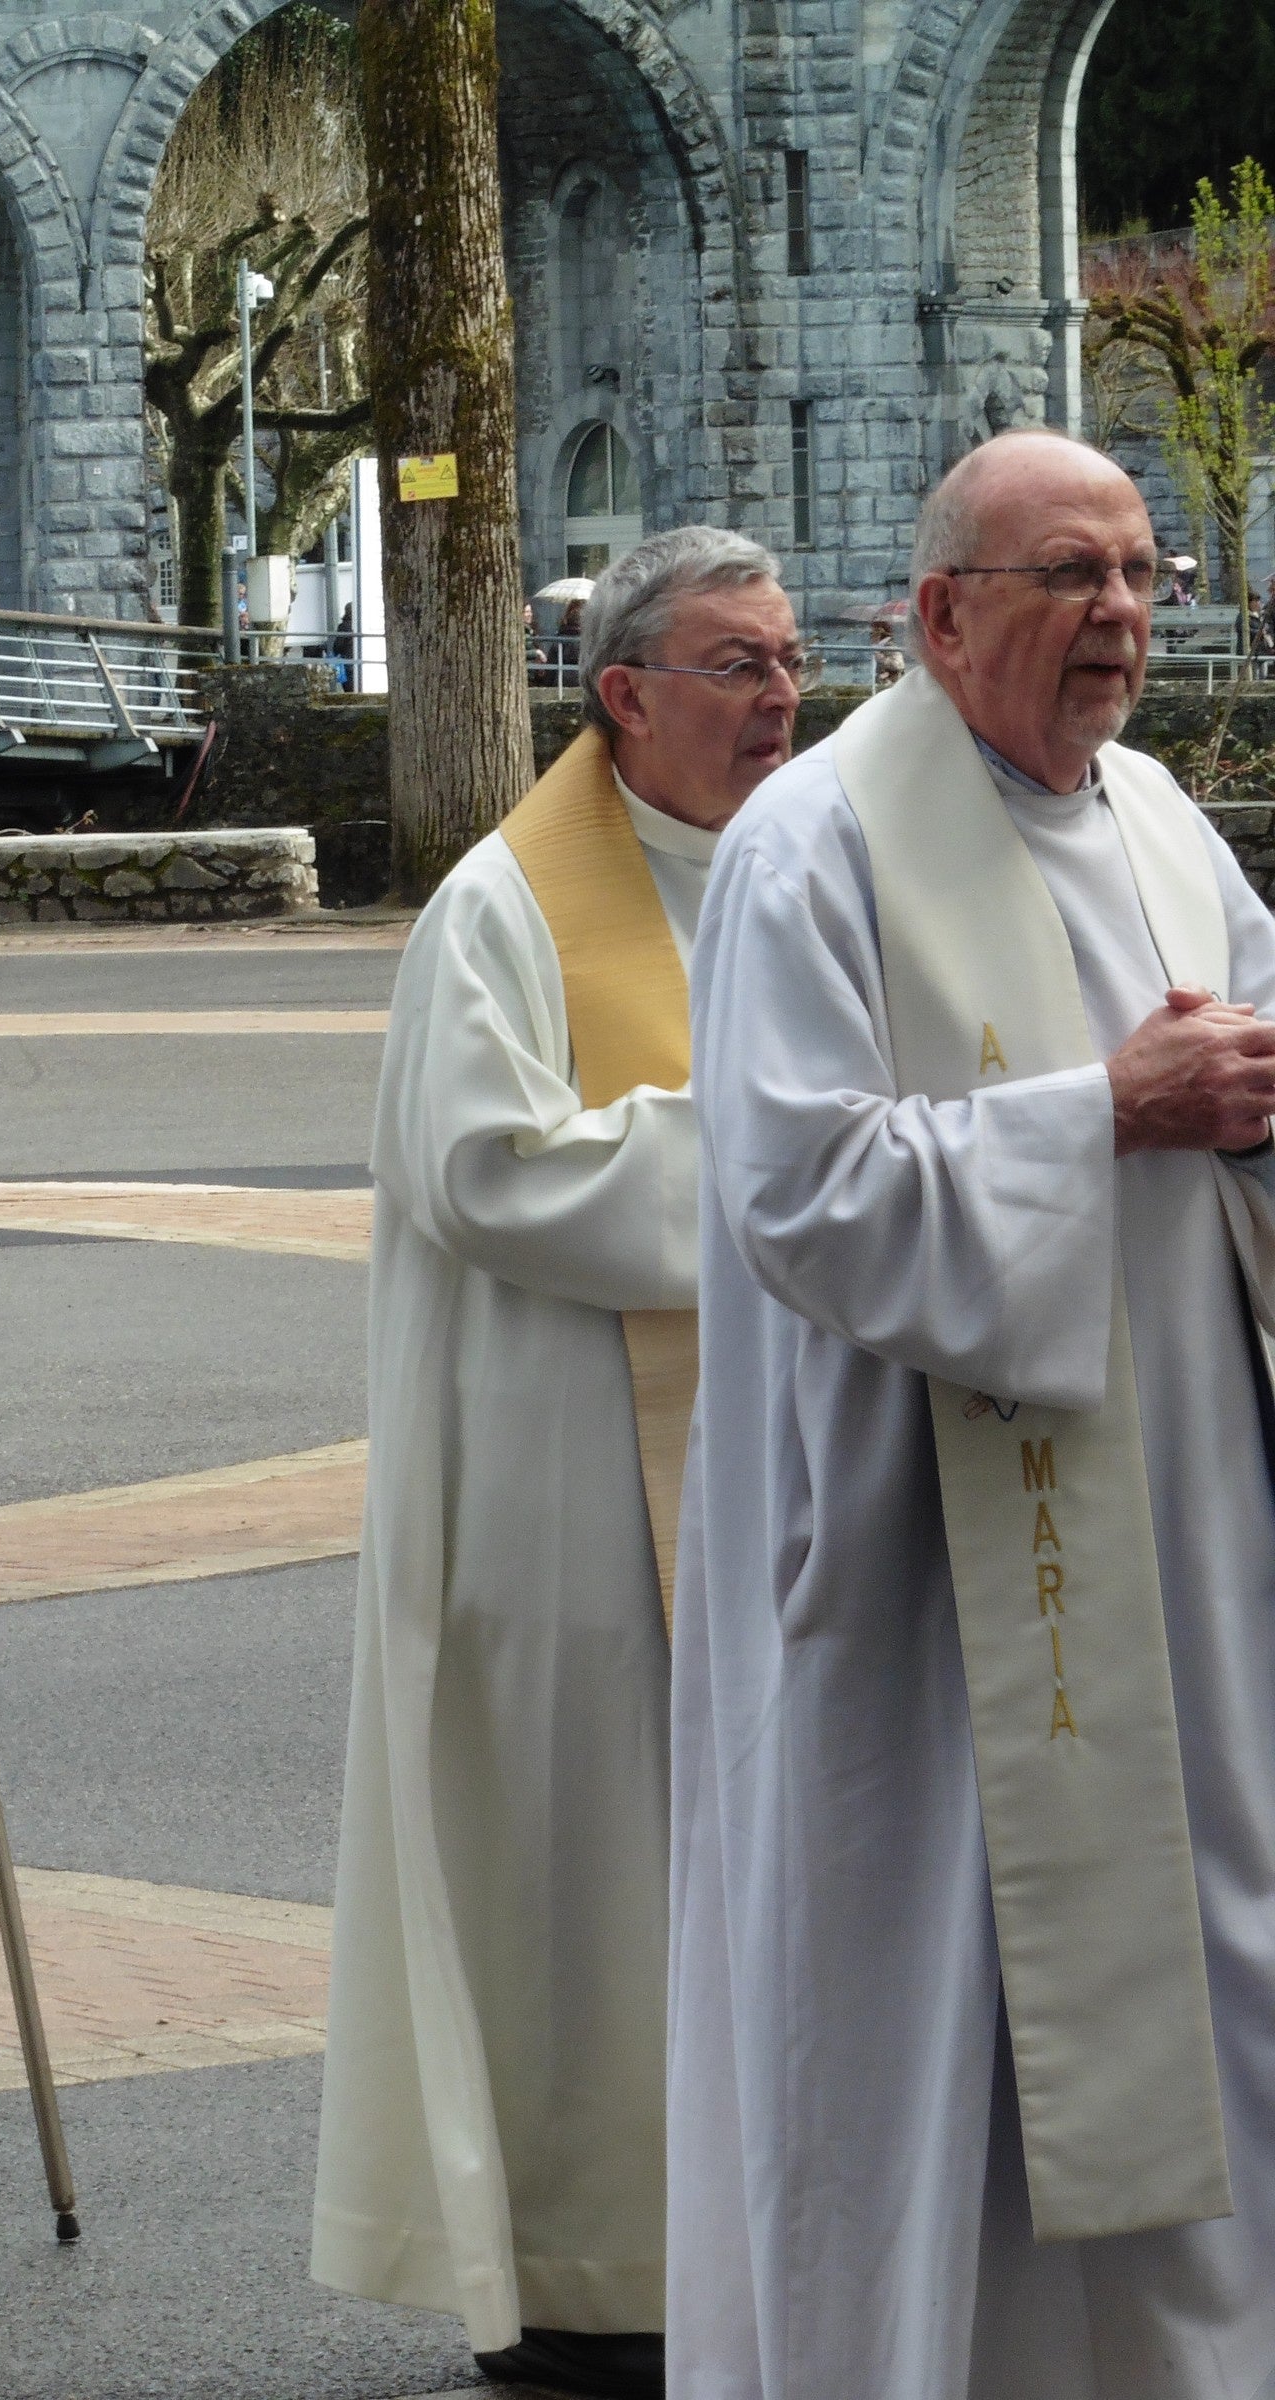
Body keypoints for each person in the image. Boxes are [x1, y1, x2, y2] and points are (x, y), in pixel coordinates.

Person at [673, 427, 1275, 2394]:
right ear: (940, 616)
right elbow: (796, 1191)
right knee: (934, 2025)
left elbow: (1243, 1085)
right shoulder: (817, 842)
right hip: (920, 1592)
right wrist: (1093, 1113)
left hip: (1177, 1557)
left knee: (1190, 1987)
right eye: (1069, 578)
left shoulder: (1169, 829)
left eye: (1139, 575)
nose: (1118, 616)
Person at [314, 527, 805, 2400]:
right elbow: (490, 1172)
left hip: (758, 1467)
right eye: (737, 668)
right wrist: (789, 1157)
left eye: (785, 662)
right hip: (564, 1491)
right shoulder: (507, 908)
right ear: (624, 696)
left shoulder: (800, 869)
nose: (780, 701)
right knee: (591, 1874)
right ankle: (600, 2270)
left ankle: (760, 2242)